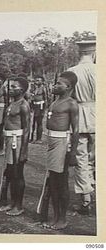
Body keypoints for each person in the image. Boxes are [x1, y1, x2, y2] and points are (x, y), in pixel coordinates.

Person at [39, 71, 79, 230]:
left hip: (63, 143)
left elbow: (76, 130)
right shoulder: (55, 101)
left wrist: (73, 153)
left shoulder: (71, 103)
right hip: (52, 142)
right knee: (54, 181)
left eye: (58, 84)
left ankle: (61, 219)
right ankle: (55, 216)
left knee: (60, 182)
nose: (54, 86)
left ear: (68, 87)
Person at [68, 40, 96, 215]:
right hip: (99, 114)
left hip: (79, 116)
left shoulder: (72, 71)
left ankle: (86, 199)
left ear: (79, 53)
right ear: (94, 53)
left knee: (81, 160)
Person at [0, 77, 30, 216]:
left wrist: (23, 151)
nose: (10, 89)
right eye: (10, 87)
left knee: (18, 173)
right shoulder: (12, 103)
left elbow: (27, 129)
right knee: (11, 172)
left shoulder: (24, 105)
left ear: (21, 90)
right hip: (9, 139)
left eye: (13, 87)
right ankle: (12, 202)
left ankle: (19, 205)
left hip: (17, 141)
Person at [30, 75, 47, 143]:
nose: (36, 82)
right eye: (36, 80)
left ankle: (38, 139)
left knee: (39, 123)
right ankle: (31, 138)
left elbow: (46, 99)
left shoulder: (44, 88)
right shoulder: (33, 88)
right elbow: (32, 97)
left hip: (41, 106)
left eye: (38, 80)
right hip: (35, 106)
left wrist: (43, 110)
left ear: (42, 81)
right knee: (33, 123)